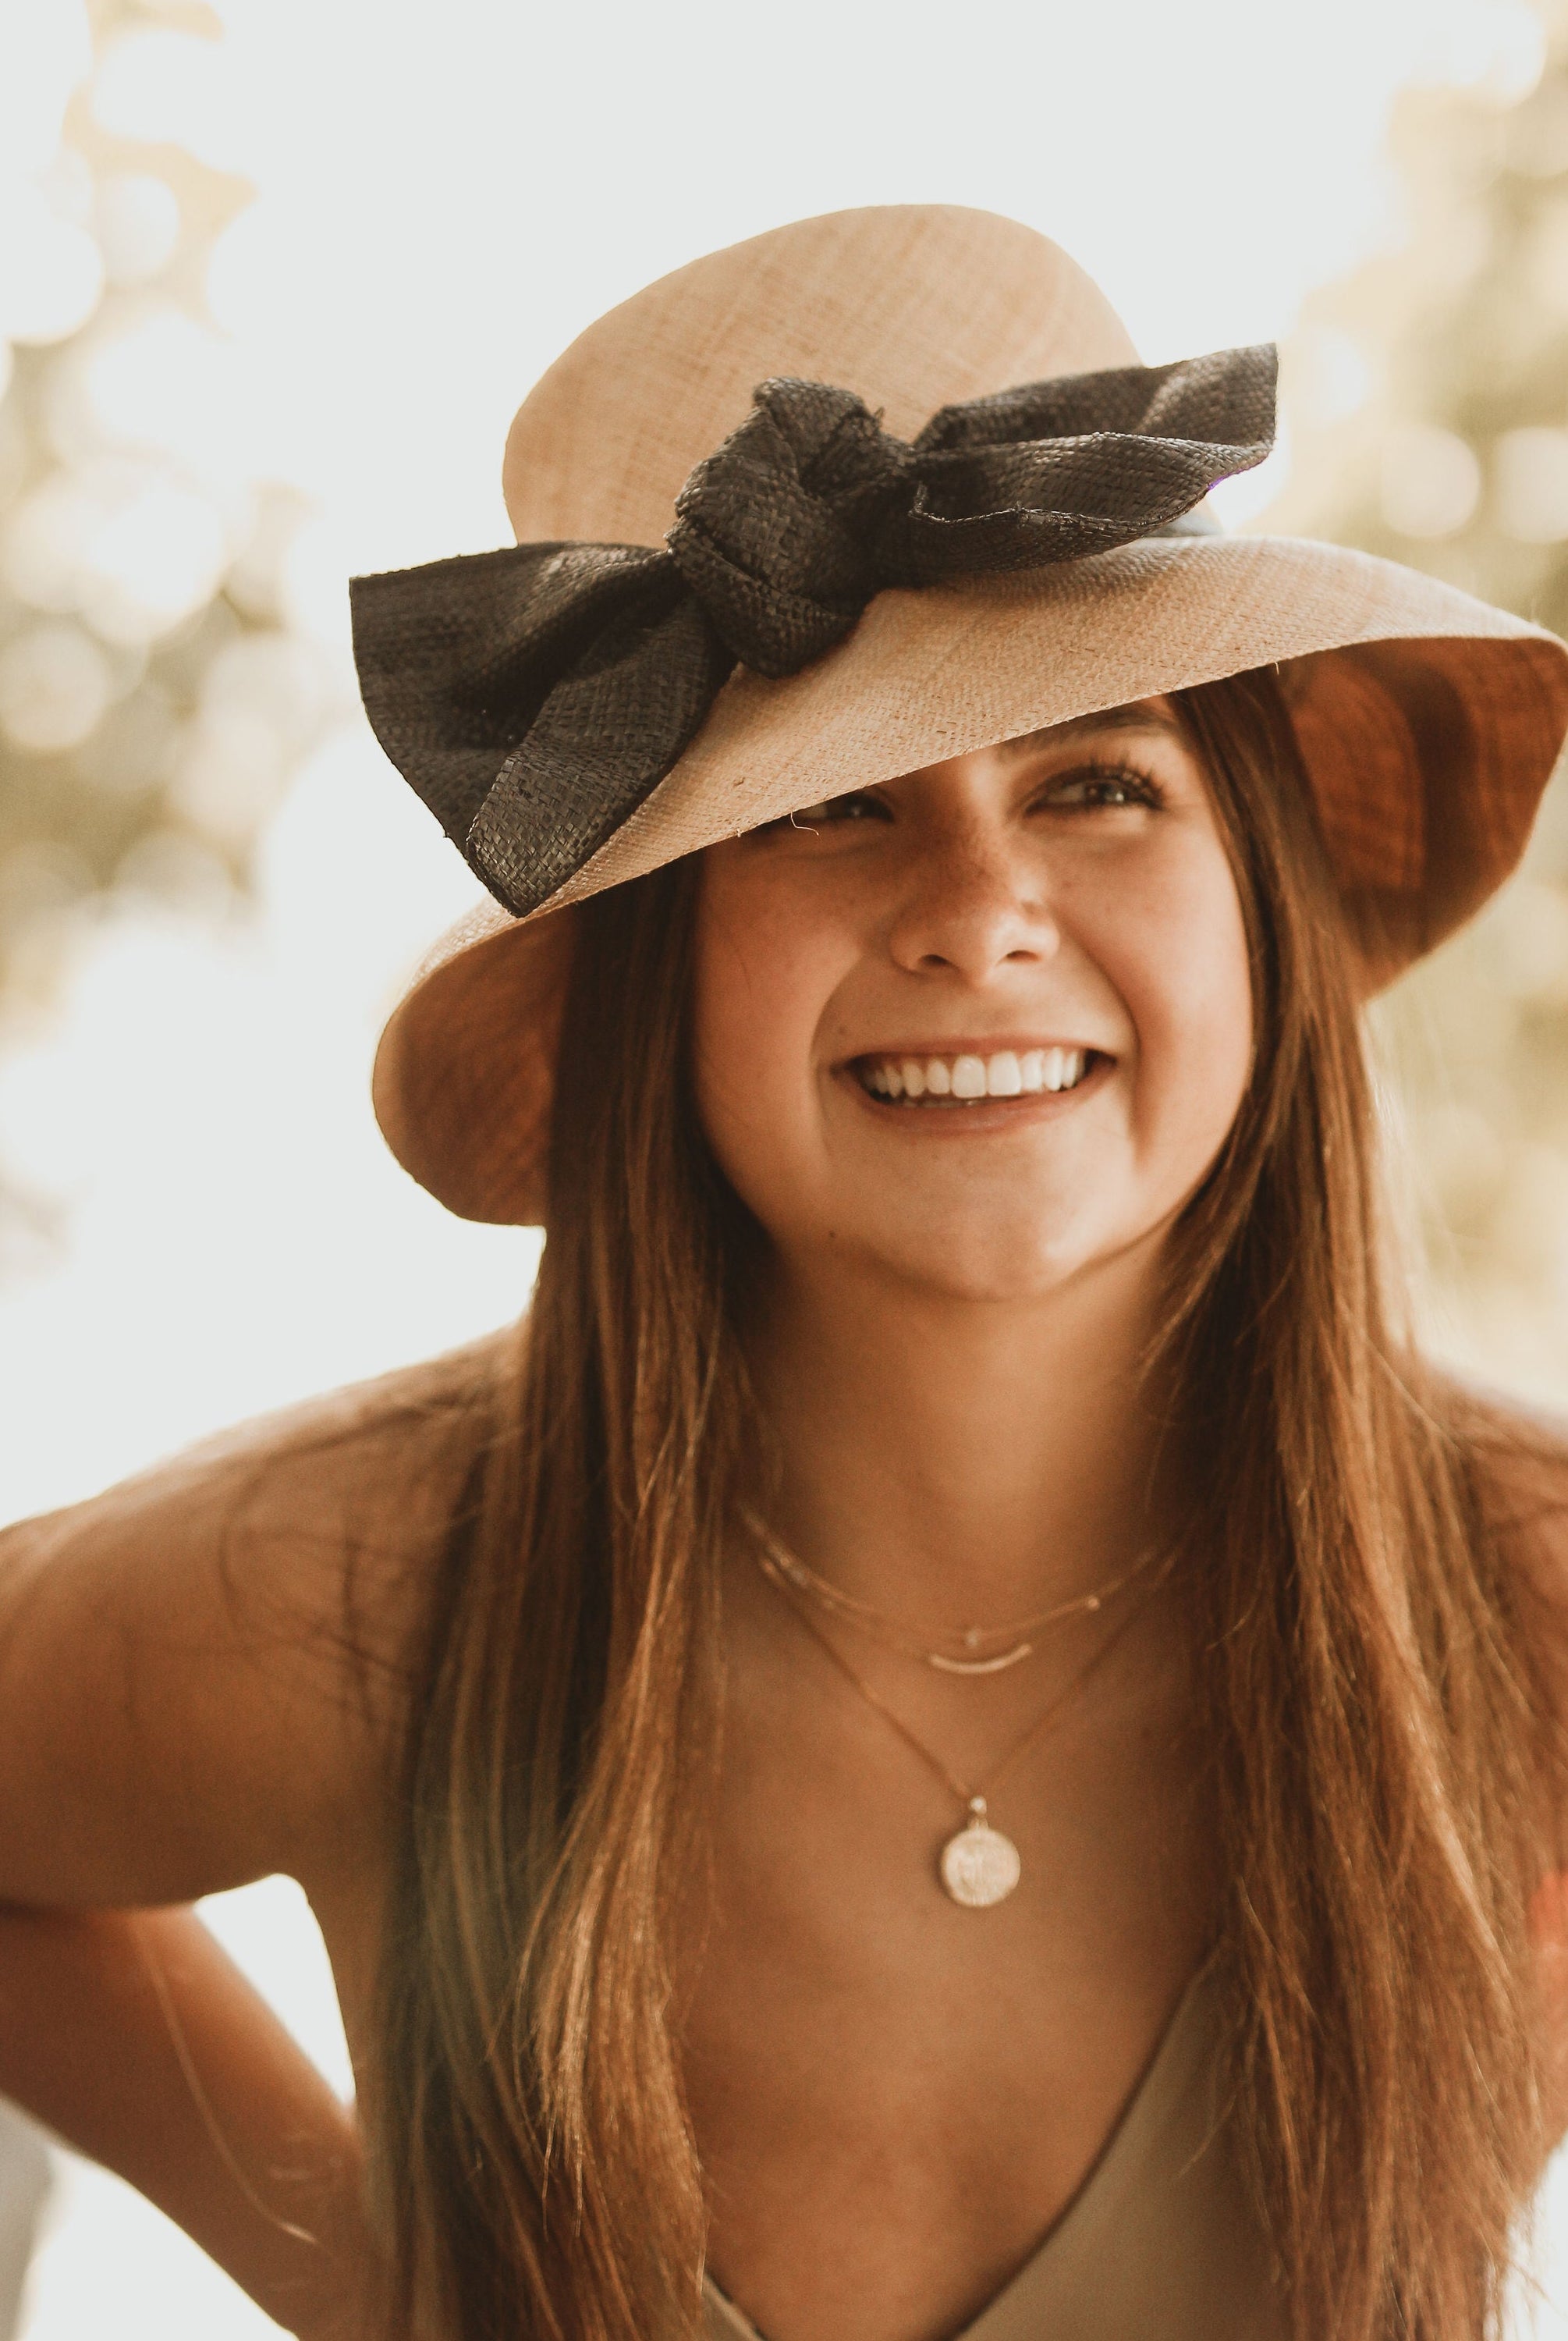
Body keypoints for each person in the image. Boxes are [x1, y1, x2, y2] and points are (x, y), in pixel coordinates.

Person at [2, 204, 1568, 2341]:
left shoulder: (1514, 1609)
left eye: (1098, 783)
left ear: (1263, 914)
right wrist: (359, 2268)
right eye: (829, 816)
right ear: (655, 976)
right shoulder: (364, 1592)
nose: (978, 909)